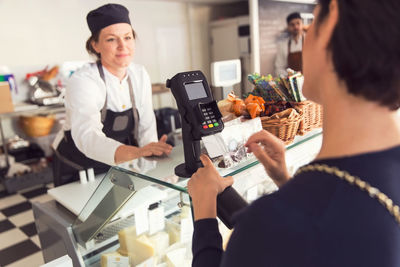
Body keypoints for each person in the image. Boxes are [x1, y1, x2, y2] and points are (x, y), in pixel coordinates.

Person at [188, 0, 400, 266]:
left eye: (312, 19)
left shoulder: (268, 225)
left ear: (332, 19)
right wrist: (288, 184)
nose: (306, 32)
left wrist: (204, 211)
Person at [52, 3, 172, 185]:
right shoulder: (83, 80)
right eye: (111, 39)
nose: (123, 46)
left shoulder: (139, 74)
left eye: (128, 37)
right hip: (78, 167)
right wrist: (137, 152)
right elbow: (88, 136)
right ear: (95, 45)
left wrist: (152, 167)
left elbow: (146, 126)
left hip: (120, 161)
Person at [274, 12, 306, 76]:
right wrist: (292, 77)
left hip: (309, 80)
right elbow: (279, 68)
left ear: (302, 24)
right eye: (292, 24)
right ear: (288, 27)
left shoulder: (310, 41)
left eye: (298, 23)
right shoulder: (283, 45)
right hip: (291, 82)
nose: (296, 27)